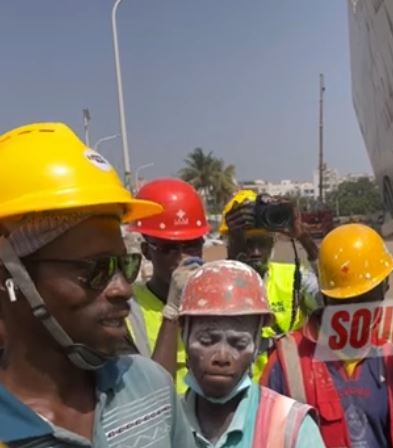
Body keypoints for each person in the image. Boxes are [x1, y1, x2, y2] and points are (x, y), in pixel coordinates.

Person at [0, 122, 194, 446]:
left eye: (125, 265)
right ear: (8, 278)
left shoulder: (150, 388)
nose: (123, 289)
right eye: (95, 269)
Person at [261, 223, 393, 447]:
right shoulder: (288, 360)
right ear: (326, 298)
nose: (356, 310)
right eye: (347, 301)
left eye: (366, 297)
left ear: (385, 288)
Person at [178, 259, 325, 447]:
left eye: (239, 343)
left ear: (257, 345)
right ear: (185, 336)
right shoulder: (160, 424)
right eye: (207, 341)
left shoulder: (292, 426)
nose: (222, 357)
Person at [220, 190, 322, 380]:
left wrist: (306, 241)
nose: (257, 252)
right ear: (229, 243)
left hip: (291, 391)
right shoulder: (215, 285)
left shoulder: (293, 277)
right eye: (248, 244)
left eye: (263, 243)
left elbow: (332, 301)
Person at [126, 177, 210, 394]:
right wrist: (172, 308)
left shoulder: (215, 299)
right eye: (169, 248)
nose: (182, 258)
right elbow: (155, 394)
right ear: (146, 252)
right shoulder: (129, 309)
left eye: (191, 246)